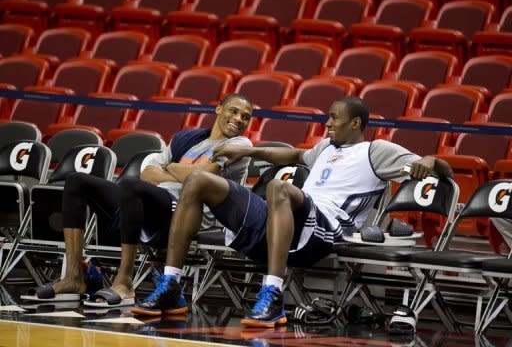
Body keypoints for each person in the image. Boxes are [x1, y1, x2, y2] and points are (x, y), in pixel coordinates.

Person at [131, 96, 453, 325]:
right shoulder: (326, 148)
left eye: (334, 118)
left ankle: (272, 295)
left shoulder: (376, 151)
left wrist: (431, 161)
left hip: (326, 228)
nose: (327, 122)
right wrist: (251, 149)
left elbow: (444, 170)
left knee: (278, 188)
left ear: (355, 123)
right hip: (287, 217)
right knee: (199, 181)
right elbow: (292, 156)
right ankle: (172, 286)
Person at [23, 93, 254, 308]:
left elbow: (200, 177)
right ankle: (74, 276)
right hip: (152, 203)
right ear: (218, 109)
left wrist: (172, 167)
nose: (238, 119)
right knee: (77, 181)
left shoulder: (240, 146)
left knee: (131, 186)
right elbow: (147, 173)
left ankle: (124, 283)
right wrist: (180, 172)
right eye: (233, 111)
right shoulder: (186, 138)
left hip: (188, 214)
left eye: (245, 117)